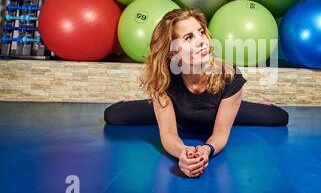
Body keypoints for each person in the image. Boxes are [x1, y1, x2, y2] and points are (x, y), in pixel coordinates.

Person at [104, 9, 289, 178]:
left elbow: (221, 134)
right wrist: (183, 153)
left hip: (217, 111)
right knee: (113, 114)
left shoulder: (229, 75)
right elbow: (168, 134)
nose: (202, 41)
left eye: (201, 32)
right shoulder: (164, 78)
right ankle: (151, 106)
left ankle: (237, 107)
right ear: (172, 52)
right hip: (178, 114)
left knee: (278, 117)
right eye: (188, 37)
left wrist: (206, 149)